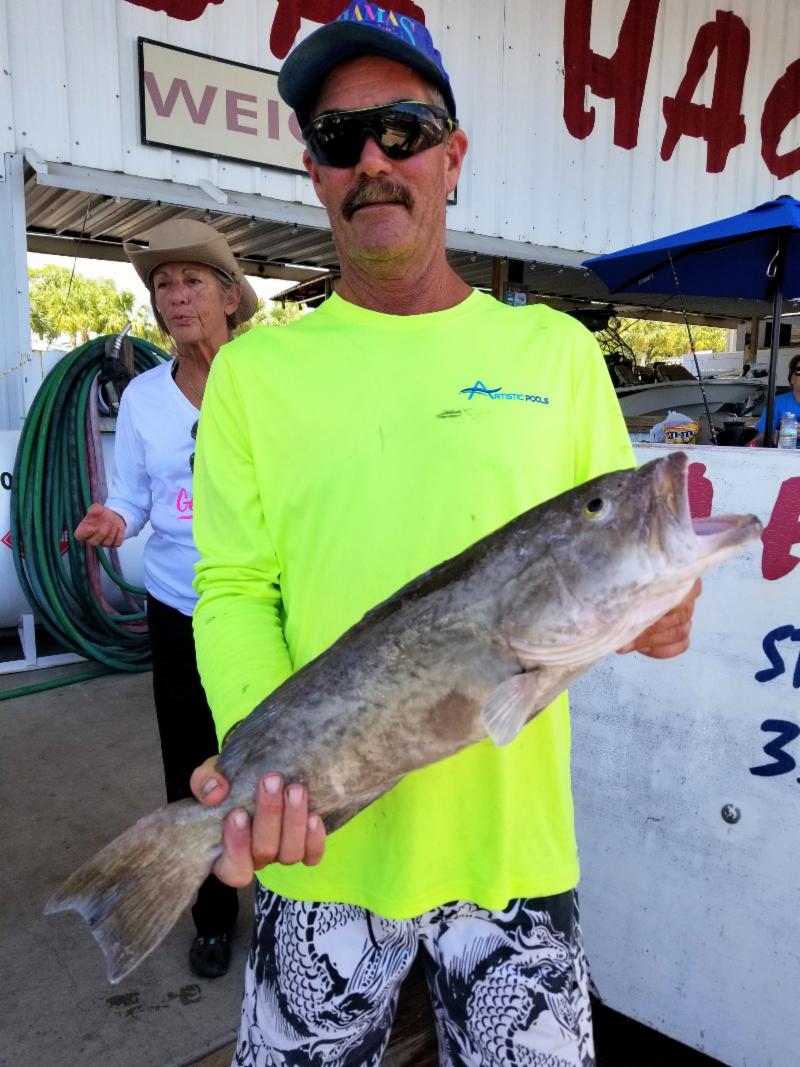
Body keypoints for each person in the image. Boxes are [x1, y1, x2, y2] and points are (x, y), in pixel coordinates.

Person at [189, 6, 701, 1063]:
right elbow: (234, 586)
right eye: (341, 139)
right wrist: (268, 760)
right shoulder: (252, 372)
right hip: (321, 846)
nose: (374, 160)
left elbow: (610, 564)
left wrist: (662, 612)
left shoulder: (555, 352)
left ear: (452, 156)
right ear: (314, 172)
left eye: (404, 130)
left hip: (513, 853)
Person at [75, 219, 258, 979]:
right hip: (180, 608)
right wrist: (117, 520)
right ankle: (211, 915)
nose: (176, 297)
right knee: (190, 765)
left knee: (279, 757)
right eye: (162, 285)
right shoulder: (146, 399)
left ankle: (291, 905)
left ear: (230, 296)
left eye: (192, 281)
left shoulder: (267, 378)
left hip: (265, 606)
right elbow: (133, 496)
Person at [753, 352, 800, 445]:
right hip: (783, 452)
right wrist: (781, 435)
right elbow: (761, 435)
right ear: (791, 378)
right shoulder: (777, 403)